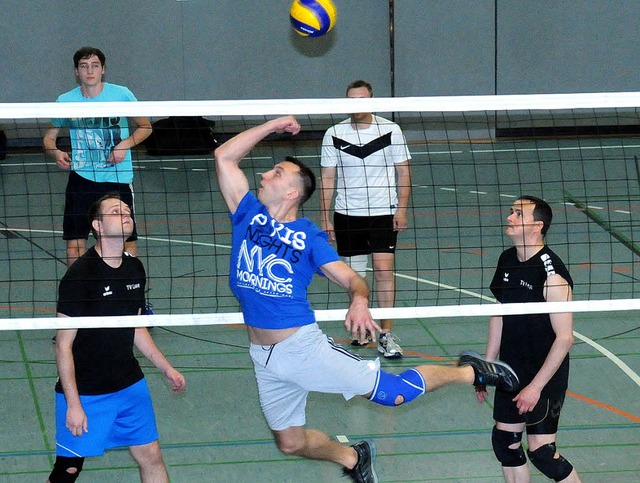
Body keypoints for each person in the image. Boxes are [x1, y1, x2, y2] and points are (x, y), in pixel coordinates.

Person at [213, 115, 520, 482]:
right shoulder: (247, 215)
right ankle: (352, 458)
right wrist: (272, 126)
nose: (264, 176)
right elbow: (224, 157)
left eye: (276, 173)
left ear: (293, 192)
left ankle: (471, 371)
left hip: (300, 347)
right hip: (263, 357)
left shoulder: (309, 237)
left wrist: (359, 299)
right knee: (291, 443)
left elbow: (353, 279)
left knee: (391, 394)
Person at [48, 193, 186, 483]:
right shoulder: (79, 276)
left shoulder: (135, 268)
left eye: (127, 210)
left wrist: (166, 367)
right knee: (67, 471)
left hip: (129, 385)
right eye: (115, 211)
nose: (125, 214)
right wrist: (74, 405)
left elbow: (135, 327)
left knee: (151, 456)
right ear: (97, 225)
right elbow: (63, 345)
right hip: (85, 391)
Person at [475, 196, 581, 482]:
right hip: (511, 370)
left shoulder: (553, 275)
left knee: (542, 452)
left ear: (537, 226)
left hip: (543, 375)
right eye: (511, 212)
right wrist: (487, 366)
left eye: (518, 214)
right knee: (505, 444)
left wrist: (535, 387)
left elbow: (565, 338)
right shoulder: (507, 259)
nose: (509, 218)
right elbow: (500, 313)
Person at [320, 80, 411, 358]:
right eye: (351, 100)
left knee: (384, 272)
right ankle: (361, 330)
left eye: (362, 99)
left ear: (372, 100)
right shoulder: (334, 134)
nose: (356, 104)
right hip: (347, 215)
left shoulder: (390, 130)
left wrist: (402, 208)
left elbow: (404, 172)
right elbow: (327, 178)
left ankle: (385, 334)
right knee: (354, 278)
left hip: (384, 213)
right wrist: (325, 217)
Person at [43, 46, 152, 267]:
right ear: (76, 71)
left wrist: (124, 145)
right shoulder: (65, 101)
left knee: (126, 242)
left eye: (95, 66)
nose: (89, 71)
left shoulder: (121, 94)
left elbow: (145, 126)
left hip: (117, 179)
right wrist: (56, 152)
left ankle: (131, 295)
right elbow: (48, 139)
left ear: (103, 69)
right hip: (81, 180)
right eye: (84, 66)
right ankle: (78, 294)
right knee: (75, 243)